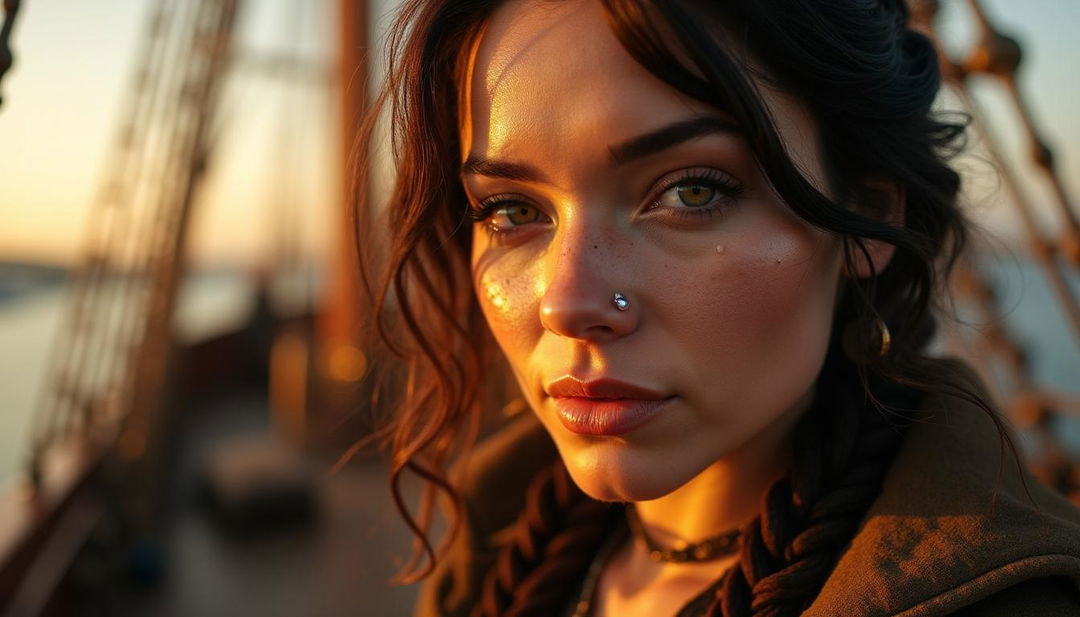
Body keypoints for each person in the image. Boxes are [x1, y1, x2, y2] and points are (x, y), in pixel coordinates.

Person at [355, 0, 1080, 615]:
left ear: (863, 215)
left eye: (691, 192)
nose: (568, 302)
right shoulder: (494, 532)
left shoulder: (1011, 594)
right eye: (511, 209)